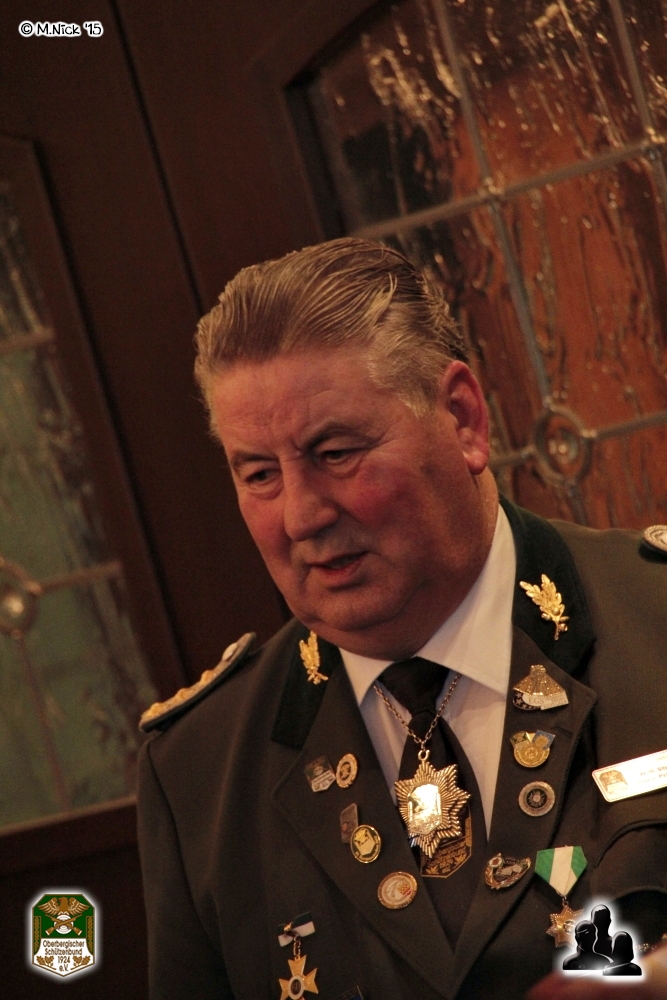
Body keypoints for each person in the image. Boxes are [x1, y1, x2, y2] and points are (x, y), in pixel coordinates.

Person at [137, 238, 667, 1000]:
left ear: (462, 418)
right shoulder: (199, 772)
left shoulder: (652, 618)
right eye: (259, 474)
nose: (300, 516)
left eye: (334, 453)